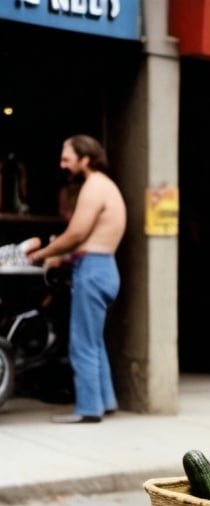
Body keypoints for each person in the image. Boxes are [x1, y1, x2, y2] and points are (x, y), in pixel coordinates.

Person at [27, 135, 125, 424]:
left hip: (94, 270)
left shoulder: (94, 187)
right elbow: (86, 240)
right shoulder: (106, 186)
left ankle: (88, 408)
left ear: (86, 159)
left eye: (67, 158)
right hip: (103, 266)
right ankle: (105, 401)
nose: (62, 164)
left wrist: (43, 253)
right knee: (94, 341)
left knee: (82, 343)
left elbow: (76, 234)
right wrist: (61, 256)